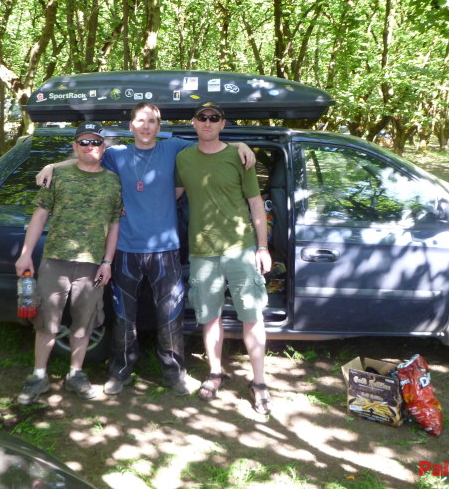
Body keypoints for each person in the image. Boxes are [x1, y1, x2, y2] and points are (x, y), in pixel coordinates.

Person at [35, 103, 255, 396]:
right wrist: (52, 166)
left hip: (166, 249)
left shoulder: (173, 148)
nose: (146, 126)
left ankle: (174, 373)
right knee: (124, 317)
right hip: (125, 249)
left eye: (152, 121)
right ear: (131, 126)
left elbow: (210, 140)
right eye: (141, 121)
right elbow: (86, 158)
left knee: (170, 315)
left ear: (159, 126)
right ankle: (120, 371)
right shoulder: (116, 154)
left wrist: (241, 144)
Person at [175, 101, 273, 415]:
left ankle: (259, 383)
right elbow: (167, 194)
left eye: (213, 118)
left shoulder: (238, 156)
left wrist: (262, 247)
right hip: (202, 251)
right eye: (202, 118)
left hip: (240, 249)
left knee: (251, 315)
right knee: (209, 316)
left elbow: (256, 204)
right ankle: (215, 373)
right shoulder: (182, 157)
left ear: (222, 123)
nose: (207, 122)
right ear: (193, 123)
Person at [15, 121, 122, 404]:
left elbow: (114, 224)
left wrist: (107, 262)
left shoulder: (113, 181)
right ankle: (39, 376)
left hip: (91, 267)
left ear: (104, 147)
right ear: (75, 147)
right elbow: (39, 216)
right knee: (46, 322)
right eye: (83, 142)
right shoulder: (59, 176)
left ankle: (76, 374)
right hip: (55, 261)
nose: (90, 147)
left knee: (84, 324)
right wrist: (26, 253)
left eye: (95, 142)